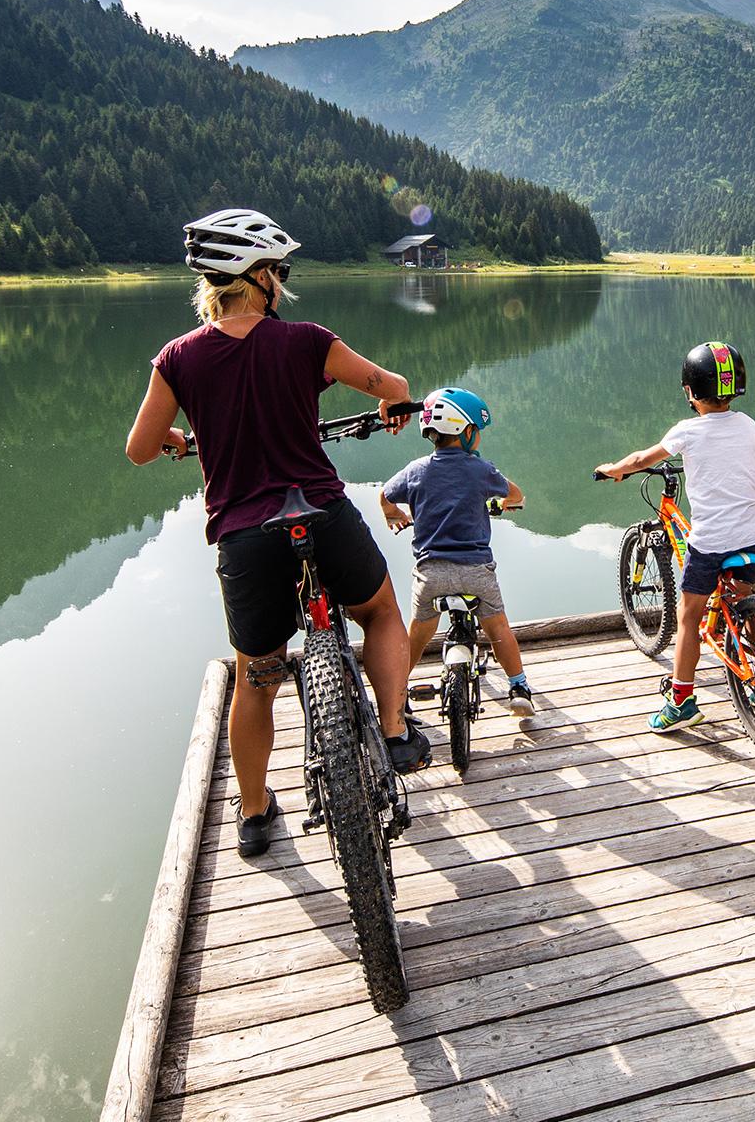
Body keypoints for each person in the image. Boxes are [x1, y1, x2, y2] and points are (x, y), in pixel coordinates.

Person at [125, 207, 431, 861]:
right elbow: (398, 386)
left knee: (256, 676)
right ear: (259, 275)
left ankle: (257, 813)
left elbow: (139, 448)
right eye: (278, 270)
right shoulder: (306, 341)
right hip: (321, 514)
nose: (282, 281)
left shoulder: (177, 358)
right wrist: (389, 403)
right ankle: (397, 728)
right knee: (378, 610)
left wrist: (180, 436)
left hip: (246, 539)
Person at [596, 342, 755, 735]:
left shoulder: (687, 431)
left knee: (688, 618)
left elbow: (642, 459)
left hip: (710, 543)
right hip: (751, 534)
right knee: (748, 603)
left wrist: (613, 469)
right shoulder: (748, 425)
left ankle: (681, 702)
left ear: (690, 390)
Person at [380, 387, 536, 717]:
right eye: (476, 431)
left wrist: (392, 513)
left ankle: (394, 695)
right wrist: (504, 503)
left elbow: (385, 495)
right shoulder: (481, 470)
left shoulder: (415, 470)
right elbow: (517, 495)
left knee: (417, 635)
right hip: (475, 571)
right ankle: (519, 687)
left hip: (430, 574)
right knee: (499, 630)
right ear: (464, 432)